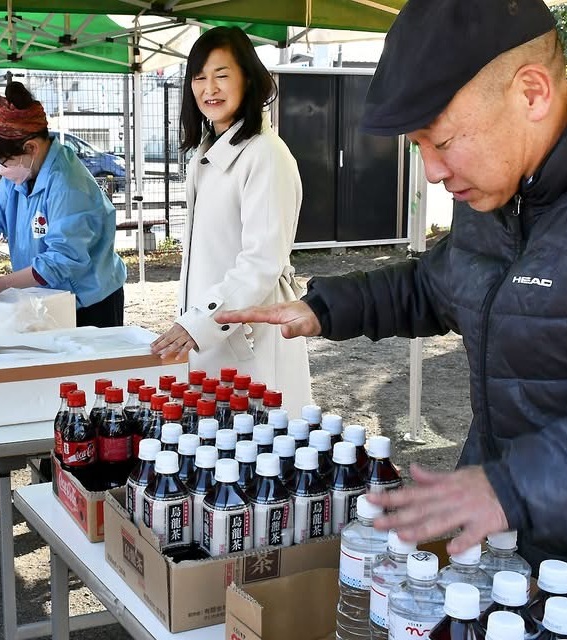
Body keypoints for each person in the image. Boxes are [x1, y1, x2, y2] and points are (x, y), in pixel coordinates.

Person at [216, 0, 567, 568]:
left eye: (443, 142)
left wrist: (513, 486)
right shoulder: (498, 192)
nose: (431, 172)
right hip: (506, 550)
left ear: (531, 93)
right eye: (418, 147)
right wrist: (324, 309)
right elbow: (440, 285)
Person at [150, 26, 311, 412]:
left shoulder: (265, 155)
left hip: (249, 336)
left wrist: (199, 322)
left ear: (248, 80)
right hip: (214, 332)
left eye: (222, 75)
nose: (210, 88)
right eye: (200, 77)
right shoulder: (207, 155)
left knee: (257, 449)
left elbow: (261, 262)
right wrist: (195, 323)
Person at [0, 82, 127, 328]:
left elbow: (62, 259)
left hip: (88, 303)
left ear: (31, 148)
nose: (2, 170)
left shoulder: (68, 185)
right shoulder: (22, 174)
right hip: (42, 296)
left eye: (5, 161)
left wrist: (3, 284)